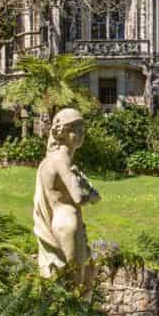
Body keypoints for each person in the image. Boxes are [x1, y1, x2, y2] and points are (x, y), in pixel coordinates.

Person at [33, 108, 101, 288]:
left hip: (59, 221)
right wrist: (92, 196)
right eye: (75, 130)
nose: (80, 135)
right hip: (68, 223)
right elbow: (78, 198)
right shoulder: (61, 160)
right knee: (74, 285)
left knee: (80, 278)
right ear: (62, 131)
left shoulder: (49, 160)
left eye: (82, 131)